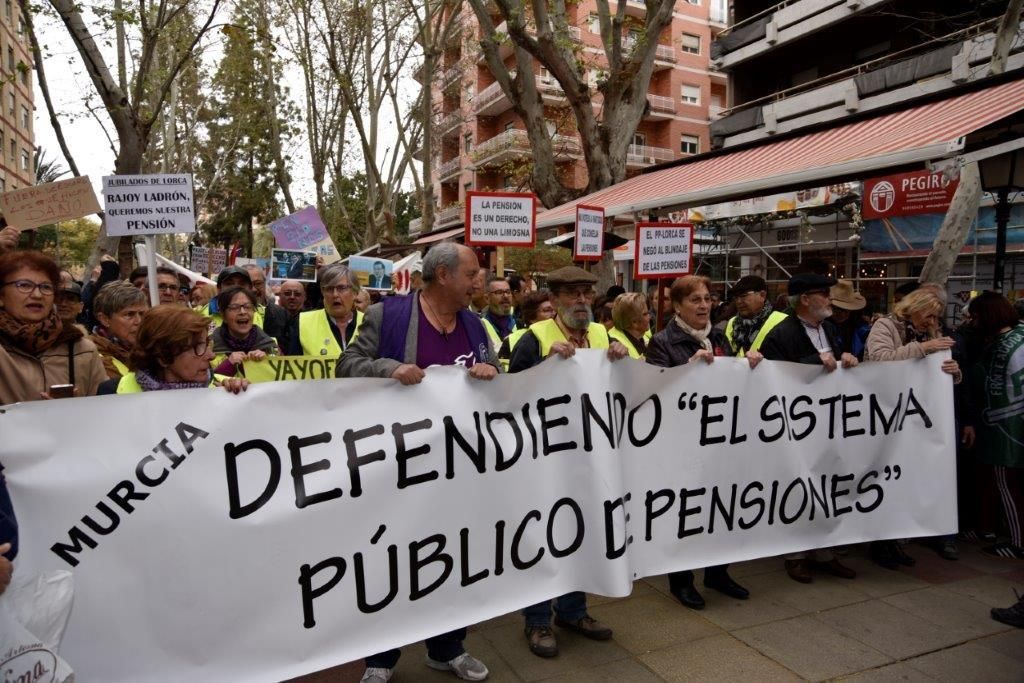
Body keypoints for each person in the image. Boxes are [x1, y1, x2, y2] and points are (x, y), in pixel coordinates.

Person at [337, 242, 494, 683]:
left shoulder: (475, 326)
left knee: (451, 560)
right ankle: (381, 659)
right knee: (394, 560)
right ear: (443, 275)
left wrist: (490, 374)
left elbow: (495, 378)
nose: (478, 280)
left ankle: (448, 649)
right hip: (398, 469)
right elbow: (348, 364)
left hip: (457, 469)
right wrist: (389, 368)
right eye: (472, 273)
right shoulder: (387, 316)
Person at [508, 265, 624, 658]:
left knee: (582, 531)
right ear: (554, 299)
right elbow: (512, 396)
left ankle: (574, 611)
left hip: (588, 455)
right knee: (544, 535)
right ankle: (537, 619)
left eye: (586, 294)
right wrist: (545, 365)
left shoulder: (601, 334)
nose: (580, 301)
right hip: (545, 458)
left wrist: (619, 359)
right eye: (572, 294)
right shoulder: (534, 338)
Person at [646, 275, 759, 609]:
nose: (704, 305)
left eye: (708, 299)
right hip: (682, 445)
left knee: (721, 507)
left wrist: (749, 365)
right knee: (686, 512)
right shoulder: (663, 342)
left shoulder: (720, 336)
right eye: (695, 300)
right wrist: (687, 373)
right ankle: (681, 580)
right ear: (678, 305)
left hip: (719, 439)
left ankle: (718, 572)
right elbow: (655, 392)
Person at [759, 272, 859, 584]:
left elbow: (834, 362)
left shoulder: (830, 328)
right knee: (798, 486)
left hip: (827, 423)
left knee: (826, 484)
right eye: (824, 294)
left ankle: (824, 551)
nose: (830, 299)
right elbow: (774, 376)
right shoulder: (781, 333)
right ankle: (795, 555)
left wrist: (846, 360)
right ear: (805, 299)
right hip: (796, 425)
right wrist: (814, 360)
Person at [864, 287, 961, 569]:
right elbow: (879, 360)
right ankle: (881, 543)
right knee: (887, 478)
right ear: (915, 307)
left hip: (915, 420)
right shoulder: (886, 326)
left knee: (908, 481)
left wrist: (953, 370)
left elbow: (937, 370)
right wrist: (924, 348)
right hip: (887, 416)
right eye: (929, 315)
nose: (932, 321)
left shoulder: (929, 331)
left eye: (936, 317)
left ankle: (895, 541)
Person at [0, 250, 108, 405]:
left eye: (46, 287)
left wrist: (77, 411)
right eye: (24, 285)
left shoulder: (82, 349)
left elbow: (104, 413)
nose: (37, 294)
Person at [965, 292, 1024, 560]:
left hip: (1006, 431)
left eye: (975, 317)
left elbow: (987, 385)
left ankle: (1018, 542)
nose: (972, 322)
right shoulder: (1021, 335)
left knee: (1007, 484)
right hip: (1013, 427)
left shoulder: (1000, 348)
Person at [102, 305, 248, 394]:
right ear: (163, 356)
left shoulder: (224, 387)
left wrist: (239, 398)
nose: (211, 356)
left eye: (207, 343)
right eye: (197, 347)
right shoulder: (112, 393)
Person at [294, 262, 364, 358]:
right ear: (322, 292)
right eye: (329, 289)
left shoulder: (369, 322)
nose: (335, 294)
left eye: (341, 288)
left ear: (355, 292)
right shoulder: (303, 322)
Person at [210, 287, 278, 376]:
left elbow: (280, 383)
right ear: (223, 316)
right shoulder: (208, 347)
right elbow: (205, 384)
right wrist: (228, 365)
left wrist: (265, 364)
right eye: (234, 307)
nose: (242, 312)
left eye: (248, 306)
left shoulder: (272, 347)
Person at [90, 281, 148, 380]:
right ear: (104, 319)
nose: (139, 321)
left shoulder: (152, 349)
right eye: (129, 314)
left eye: (142, 314)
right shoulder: (91, 356)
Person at [723, 275, 787, 361]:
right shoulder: (732, 323)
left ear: (762, 295)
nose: (738, 301)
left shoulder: (783, 322)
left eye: (743, 295)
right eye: (736, 297)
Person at [497, 290, 554, 370]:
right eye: (547, 310)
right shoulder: (512, 341)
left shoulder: (565, 334)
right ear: (531, 317)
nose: (553, 314)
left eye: (555, 309)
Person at [244, 264, 288, 348]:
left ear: (265, 283)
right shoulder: (231, 315)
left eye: (258, 283)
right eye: (248, 284)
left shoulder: (282, 314)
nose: (253, 289)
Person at [828, 279, 867, 356]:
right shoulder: (821, 324)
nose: (842, 314)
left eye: (846, 311)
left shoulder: (858, 325)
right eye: (837, 309)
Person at [608, 292, 650, 359]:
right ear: (634, 322)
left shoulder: (644, 336)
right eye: (645, 314)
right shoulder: (614, 343)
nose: (649, 317)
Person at [481, 276, 516, 343]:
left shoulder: (521, 324)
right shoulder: (479, 327)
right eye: (499, 292)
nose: (506, 296)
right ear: (487, 298)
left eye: (508, 292)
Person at [276, 279, 306, 355]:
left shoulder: (312, 319)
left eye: (297, 294)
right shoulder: (270, 317)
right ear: (279, 295)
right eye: (287, 293)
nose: (292, 297)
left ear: (304, 297)